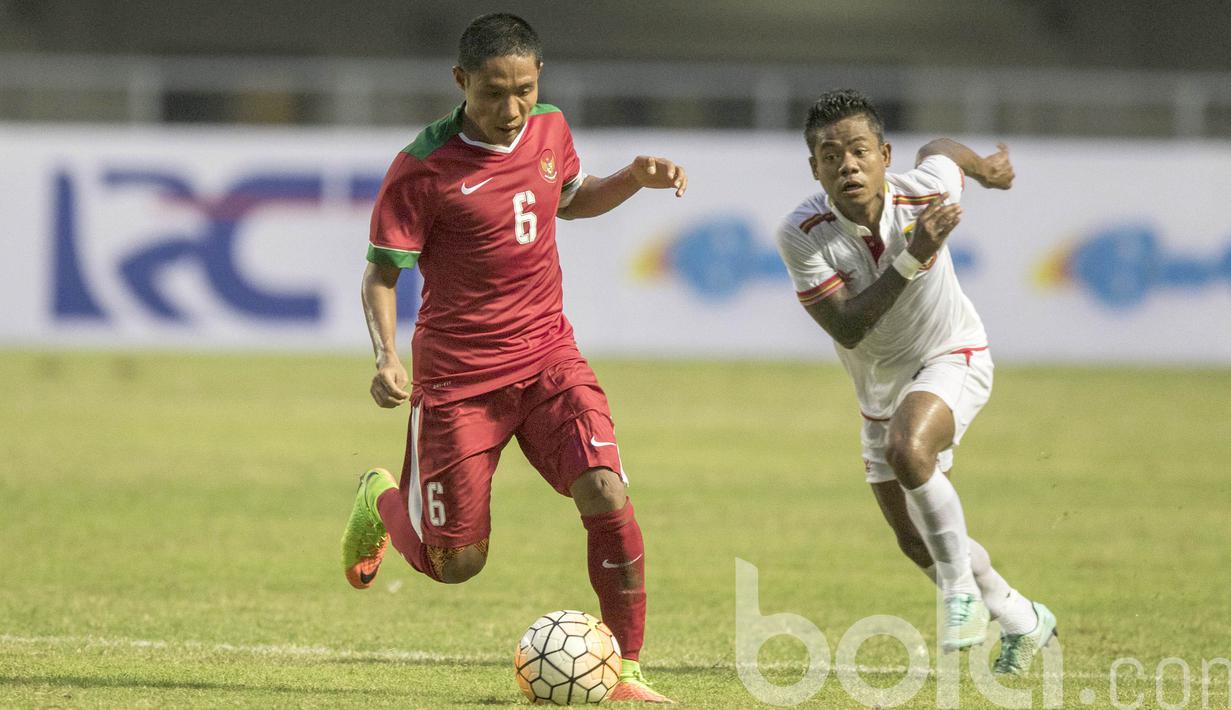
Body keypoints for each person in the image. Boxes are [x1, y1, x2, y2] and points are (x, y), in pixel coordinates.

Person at [339, 13, 682, 703]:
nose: (511, 108)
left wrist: (631, 180)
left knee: (606, 492)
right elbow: (381, 275)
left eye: (523, 89)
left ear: (539, 79)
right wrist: (385, 357)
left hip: (549, 359)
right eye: (493, 93)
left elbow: (571, 200)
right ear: (462, 82)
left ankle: (628, 669)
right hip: (460, 383)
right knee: (455, 564)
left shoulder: (550, 128)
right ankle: (380, 495)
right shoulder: (422, 168)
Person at [774, 89, 1057, 674]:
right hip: (878, 385)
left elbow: (942, 151)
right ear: (814, 168)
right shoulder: (801, 232)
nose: (847, 165)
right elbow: (849, 328)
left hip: (953, 353)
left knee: (910, 448)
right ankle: (1021, 617)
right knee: (913, 540)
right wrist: (914, 255)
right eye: (831, 156)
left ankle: (959, 593)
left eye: (858, 151)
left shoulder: (924, 190)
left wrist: (986, 170)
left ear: (884, 154)